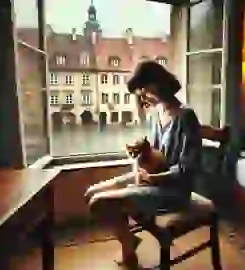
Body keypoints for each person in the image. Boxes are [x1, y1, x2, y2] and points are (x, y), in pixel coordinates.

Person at [84, 60, 202, 269]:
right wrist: (143, 149)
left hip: (174, 192)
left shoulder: (187, 116)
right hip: (152, 181)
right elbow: (157, 157)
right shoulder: (158, 115)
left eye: (144, 90)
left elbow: (188, 168)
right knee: (91, 193)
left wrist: (154, 178)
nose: (143, 96)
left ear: (159, 84)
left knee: (99, 202)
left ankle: (128, 247)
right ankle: (130, 243)